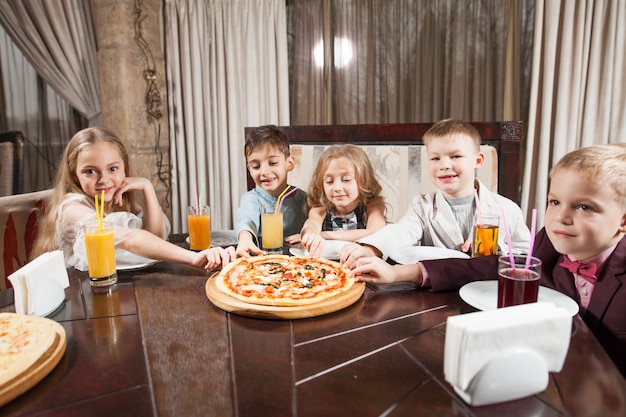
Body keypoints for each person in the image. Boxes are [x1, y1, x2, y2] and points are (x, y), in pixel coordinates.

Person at [349, 144, 626, 377]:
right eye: (555, 202)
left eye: (584, 206)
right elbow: (488, 265)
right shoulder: (546, 243)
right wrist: (399, 274)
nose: (560, 217)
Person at [32, 127, 234, 271]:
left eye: (113, 168)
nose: (104, 180)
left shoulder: (117, 201)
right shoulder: (72, 209)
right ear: (74, 174)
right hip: (78, 296)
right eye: (90, 171)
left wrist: (147, 187)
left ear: (124, 167)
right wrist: (194, 258)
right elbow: (130, 239)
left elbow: (155, 236)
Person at [341, 118, 530, 262]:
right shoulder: (422, 206)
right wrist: (371, 248)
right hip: (438, 290)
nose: (444, 165)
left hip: (487, 289)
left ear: (477, 161)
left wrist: (496, 247)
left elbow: (526, 254)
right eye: (435, 158)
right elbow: (402, 231)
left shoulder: (507, 209)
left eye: (455, 156)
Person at [300, 144, 387, 258]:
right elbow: (311, 224)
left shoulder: (373, 204)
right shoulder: (321, 208)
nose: (337, 188)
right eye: (329, 181)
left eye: (346, 180)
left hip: (362, 263)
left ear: (363, 180)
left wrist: (323, 235)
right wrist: (309, 235)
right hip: (328, 265)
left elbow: (376, 231)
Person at [234, 125, 308, 257]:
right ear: (249, 169)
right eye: (256, 166)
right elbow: (246, 218)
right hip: (261, 262)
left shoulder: (304, 198)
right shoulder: (251, 198)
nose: (264, 172)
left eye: (273, 163)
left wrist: (307, 234)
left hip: (297, 263)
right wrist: (245, 238)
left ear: (289, 163)